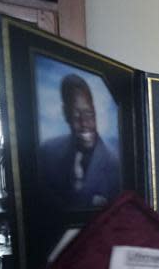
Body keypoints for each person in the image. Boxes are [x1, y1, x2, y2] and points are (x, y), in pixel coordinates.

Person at [38, 73, 120, 210]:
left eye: (88, 113)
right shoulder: (47, 152)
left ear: (94, 111)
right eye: (76, 115)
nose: (84, 123)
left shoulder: (116, 165)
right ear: (65, 114)